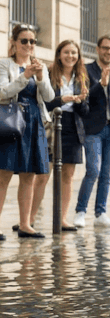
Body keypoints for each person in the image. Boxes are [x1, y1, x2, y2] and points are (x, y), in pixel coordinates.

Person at [0, 24, 55, 239]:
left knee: (29, 175)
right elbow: (3, 92)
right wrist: (25, 76)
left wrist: (40, 76)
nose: (29, 45)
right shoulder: (4, 64)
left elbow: (49, 97)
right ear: (14, 43)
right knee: (3, 174)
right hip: (11, 121)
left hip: (33, 122)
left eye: (32, 41)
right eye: (24, 40)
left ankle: (25, 224)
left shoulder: (40, 67)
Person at [74, 35, 110, 229]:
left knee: (106, 173)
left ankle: (101, 213)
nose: (109, 52)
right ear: (97, 49)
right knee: (93, 170)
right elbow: (83, 98)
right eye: (106, 48)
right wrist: (101, 84)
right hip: (93, 129)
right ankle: (80, 211)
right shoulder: (86, 70)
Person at [43, 40, 90, 231]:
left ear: (78, 56)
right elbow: (44, 103)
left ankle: (62, 219)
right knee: (43, 174)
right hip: (52, 125)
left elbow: (85, 111)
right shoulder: (49, 73)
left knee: (68, 176)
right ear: (59, 54)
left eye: (74, 53)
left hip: (73, 127)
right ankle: (28, 220)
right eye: (66, 52)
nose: (70, 56)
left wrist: (80, 101)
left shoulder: (81, 78)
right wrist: (62, 100)